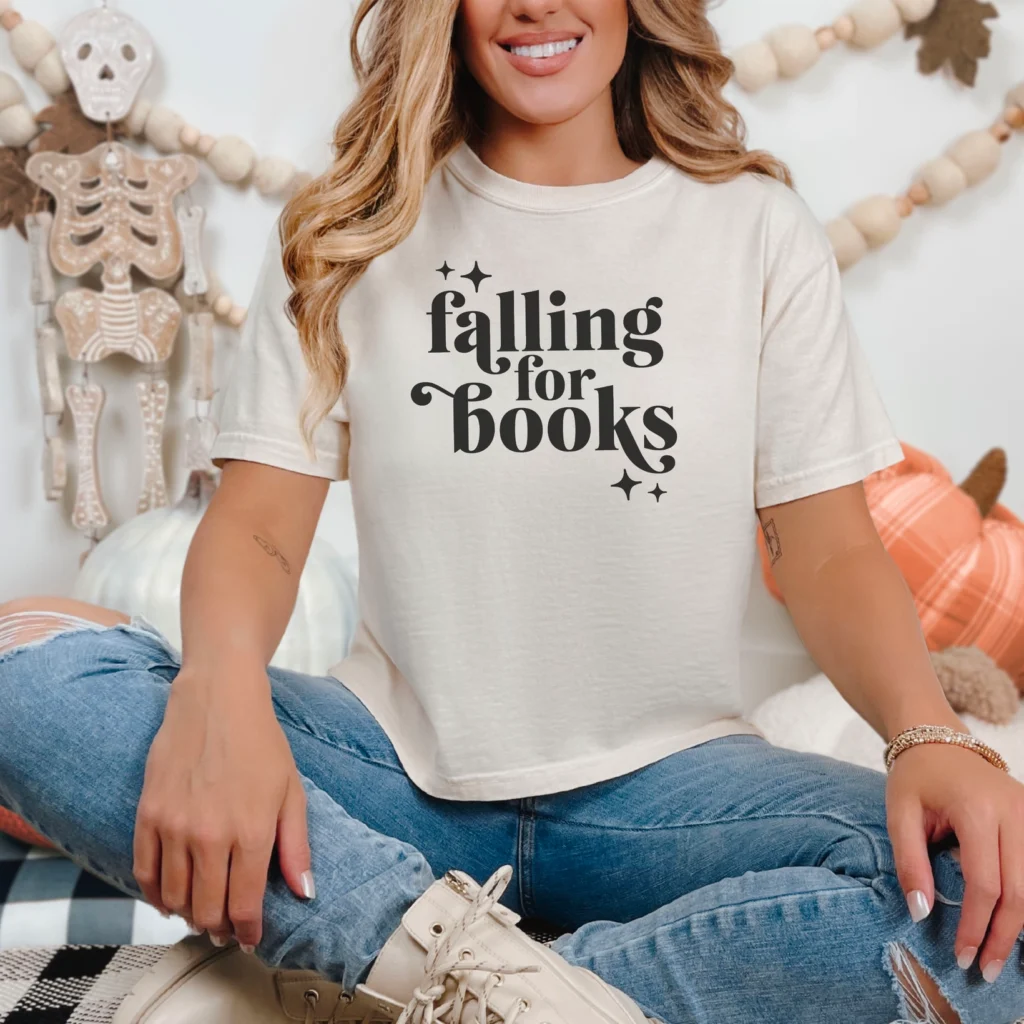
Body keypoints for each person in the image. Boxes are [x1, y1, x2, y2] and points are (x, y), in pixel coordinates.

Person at [1, 0, 1022, 1021]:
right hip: (388, 772)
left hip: (672, 797)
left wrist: (927, 733)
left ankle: (405, 985)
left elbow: (826, 546)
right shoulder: (349, 226)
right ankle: (472, 977)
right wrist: (219, 692)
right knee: (23, 673)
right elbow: (261, 523)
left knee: (986, 893)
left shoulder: (754, 230)